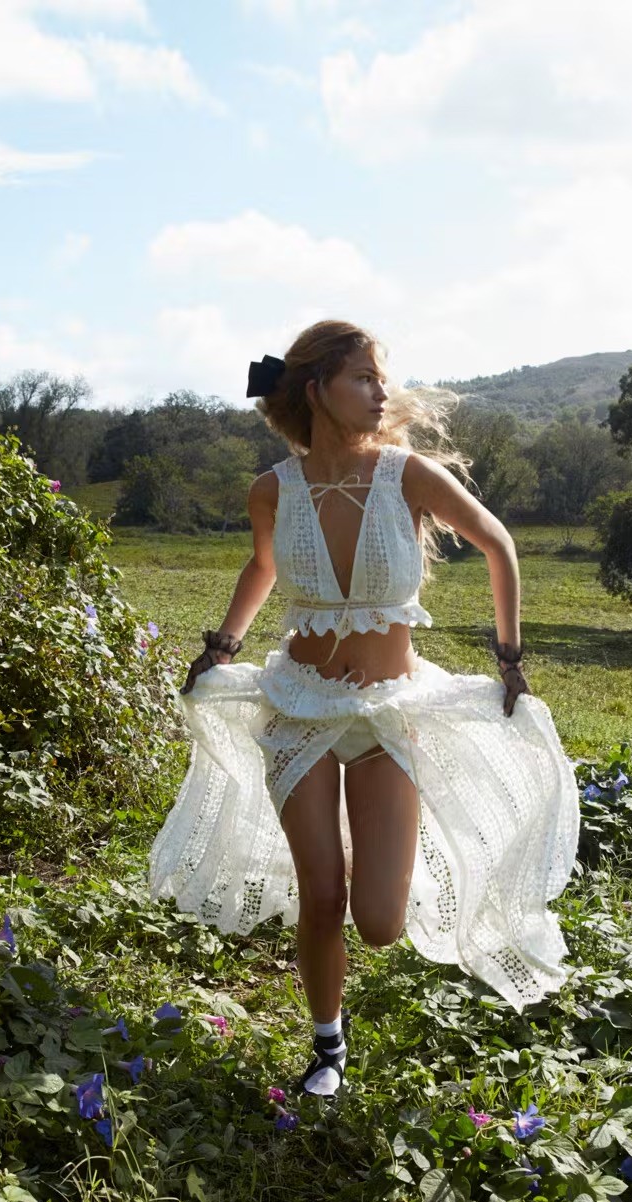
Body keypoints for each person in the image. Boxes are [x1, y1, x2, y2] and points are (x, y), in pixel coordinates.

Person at [147, 320, 580, 1096]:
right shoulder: (273, 490)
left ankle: (362, 848)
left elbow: (498, 545)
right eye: (364, 378)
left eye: (383, 378)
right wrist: (223, 646)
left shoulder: (408, 476)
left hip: (387, 711)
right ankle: (328, 1048)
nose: (383, 392)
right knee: (322, 894)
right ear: (317, 390)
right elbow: (263, 565)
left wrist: (510, 659)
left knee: (378, 921)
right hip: (299, 707)